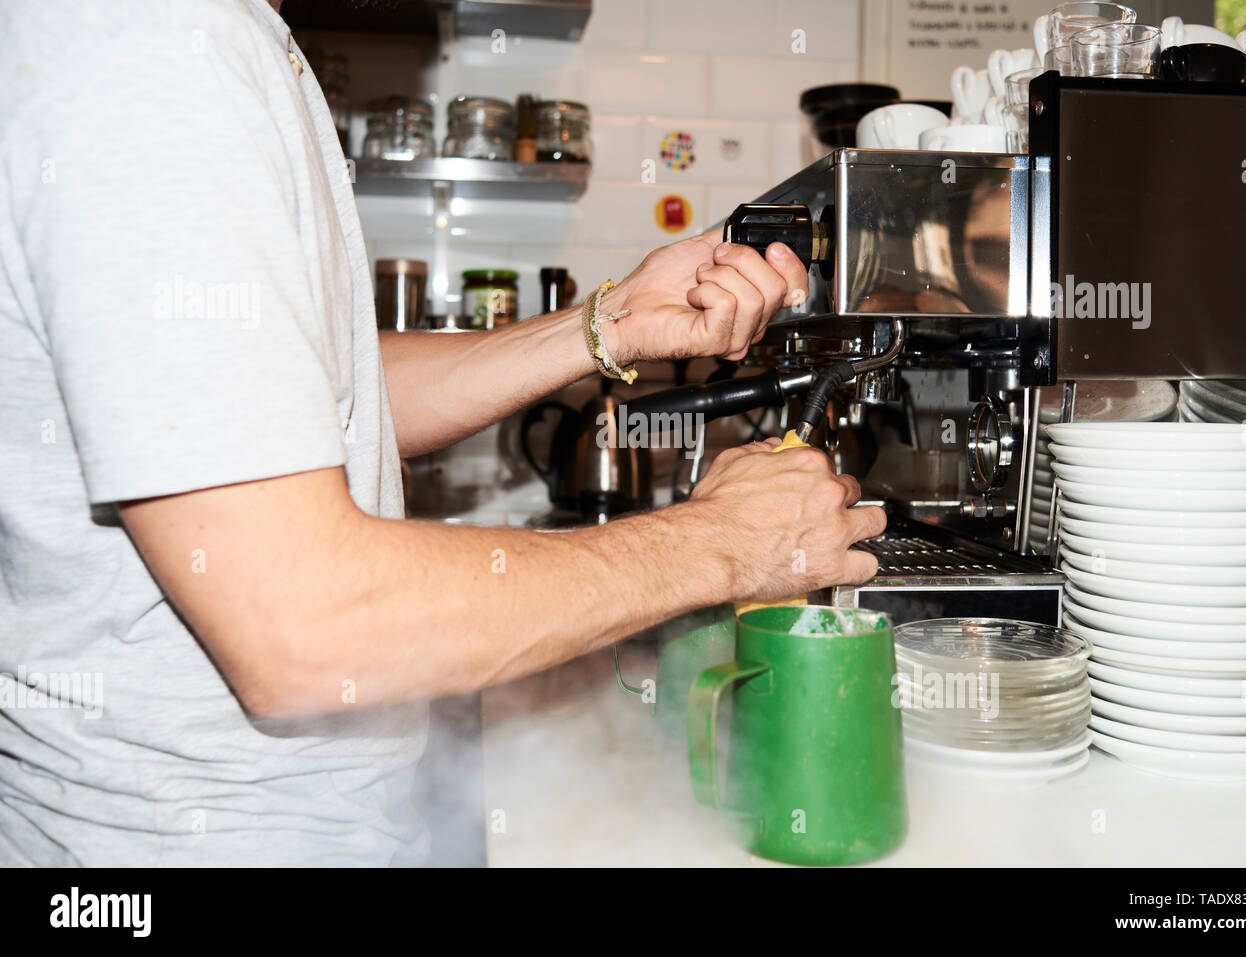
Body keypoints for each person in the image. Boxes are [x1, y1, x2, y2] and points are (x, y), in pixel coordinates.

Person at [0, 0, 884, 866]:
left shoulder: (221, 37)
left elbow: (303, 392)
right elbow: (304, 621)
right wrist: (722, 543)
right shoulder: (152, 43)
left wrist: (606, 325)